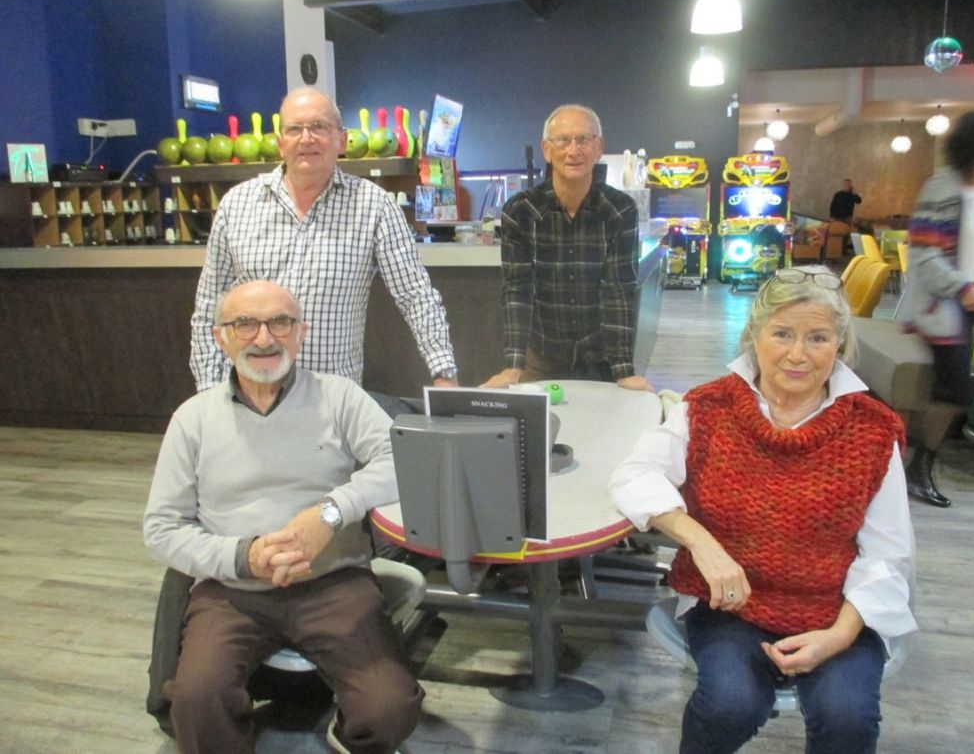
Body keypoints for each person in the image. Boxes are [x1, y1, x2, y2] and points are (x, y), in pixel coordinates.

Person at [609, 265, 916, 754]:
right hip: (732, 606)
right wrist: (700, 542)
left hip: (836, 608)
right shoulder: (708, 408)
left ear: (839, 343)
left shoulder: (871, 431)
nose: (798, 354)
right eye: (782, 334)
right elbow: (635, 475)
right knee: (729, 704)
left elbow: (888, 554)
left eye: (817, 337)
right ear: (754, 335)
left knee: (847, 719)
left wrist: (838, 637)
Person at [144, 280, 423, 754]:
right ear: (221, 338)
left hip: (334, 584)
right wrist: (242, 556)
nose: (264, 338)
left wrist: (331, 513)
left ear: (301, 332)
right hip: (232, 593)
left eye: (280, 322)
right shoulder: (192, 419)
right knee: (195, 701)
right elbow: (161, 528)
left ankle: (349, 730)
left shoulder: (339, 397)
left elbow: (406, 461)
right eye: (246, 324)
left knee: (388, 709)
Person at [189, 86, 458, 392]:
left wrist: (443, 372)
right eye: (294, 129)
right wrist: (209, 390)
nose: (307, 138)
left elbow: (416, 296)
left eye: (319, 127)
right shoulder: (236, 205)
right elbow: (210, 307)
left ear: (341, 140)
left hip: (332, 401)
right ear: (280, 143)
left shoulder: (374, 207)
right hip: (250, 394)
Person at [482, 104, 653, 391]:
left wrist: (623, 369)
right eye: (563, 140)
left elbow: (619, 290)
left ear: (599, 147)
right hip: (541, 355)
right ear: (547, 150)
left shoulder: (620, 210)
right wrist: (514, 365)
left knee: (605, 430)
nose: (573, 151)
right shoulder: (520, 211)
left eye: (583, 140)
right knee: (537, 432)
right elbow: (517, 291)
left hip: (601, 357)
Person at [898, 111, 974, 507]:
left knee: (952, 387)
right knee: (953, 390)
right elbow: (925, 255)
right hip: (944, 305)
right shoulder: (943, 188)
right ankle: (917, 468)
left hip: (970, 300)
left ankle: (910, 462)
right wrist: (962, 286)